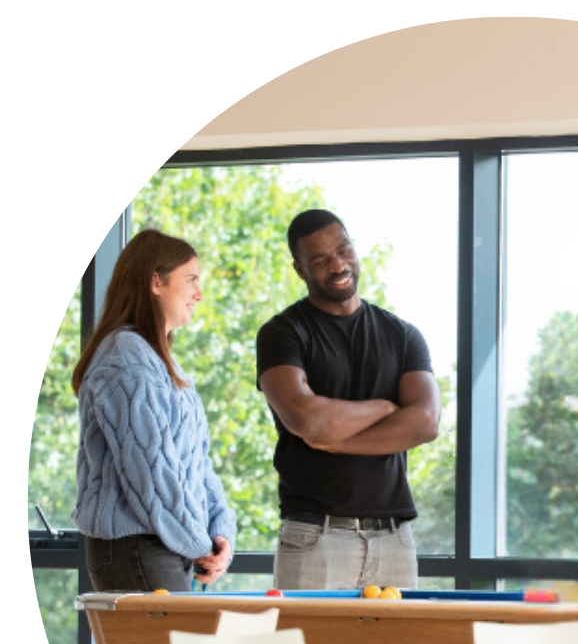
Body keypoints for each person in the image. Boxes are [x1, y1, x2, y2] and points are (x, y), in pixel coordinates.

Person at [255, 209, 440, 592]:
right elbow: (309, 421)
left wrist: (335, 441)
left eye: (343, 250)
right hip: (314, 535)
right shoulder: (282, 334)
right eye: (320, 261)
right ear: (300, 269)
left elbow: (425, 422)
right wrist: (385, 408)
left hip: (394, 536)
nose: (338, 265)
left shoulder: (403, 335)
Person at [72, 228, 236, 592]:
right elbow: (149, 473)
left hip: (165, 543)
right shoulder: (127, 357)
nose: (199, 293)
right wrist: (200, 544)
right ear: (156, 281)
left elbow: (197, 462)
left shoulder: (162, 363)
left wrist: (221, 529)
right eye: (191, 279)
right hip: (138, 547)